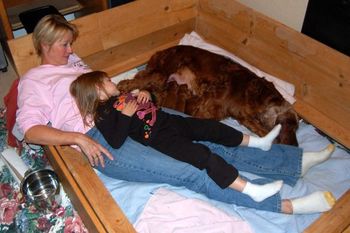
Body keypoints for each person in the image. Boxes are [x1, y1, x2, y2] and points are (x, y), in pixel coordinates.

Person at [16, 14, 336, 215]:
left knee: (207, 138)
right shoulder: (33, 80)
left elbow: (107, 89)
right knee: (190, 169)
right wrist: (76, 140)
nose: (71, 51)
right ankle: (284, 206)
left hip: (134, 113)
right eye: (64, 45)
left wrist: (140, 96)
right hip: (100, 137)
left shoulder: (76, 64)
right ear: (44, 44)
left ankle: (291, 162)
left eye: (71, 44)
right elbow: (29, 130)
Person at [70, 70, 285, 202]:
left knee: (210, 128)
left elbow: (148, 107)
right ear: (98, 91)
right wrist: (126, 116)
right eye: (107, 80)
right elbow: (116, 141)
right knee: (203, 156)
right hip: (159, 139)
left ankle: (259, 142)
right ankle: (251, 190)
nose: (112, 81)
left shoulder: (125, 95)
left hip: (168, 121)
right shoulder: (103, 115)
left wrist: (147, 95)